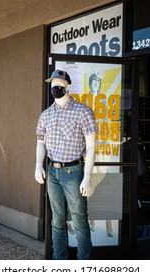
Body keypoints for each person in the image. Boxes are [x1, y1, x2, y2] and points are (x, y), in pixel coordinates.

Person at [35, 69, 98, 260]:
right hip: (53, 172)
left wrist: (87, 177)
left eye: (59, 84)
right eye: (53, 84)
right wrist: (38, 164)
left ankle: (84, 263)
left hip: (74, 171)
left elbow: (92, 145)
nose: (55, 87)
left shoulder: (83, 112)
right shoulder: (46, 115)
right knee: (57, 220)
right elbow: (40, 142)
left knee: (79, 219)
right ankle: (59, 262)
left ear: (68, 86)